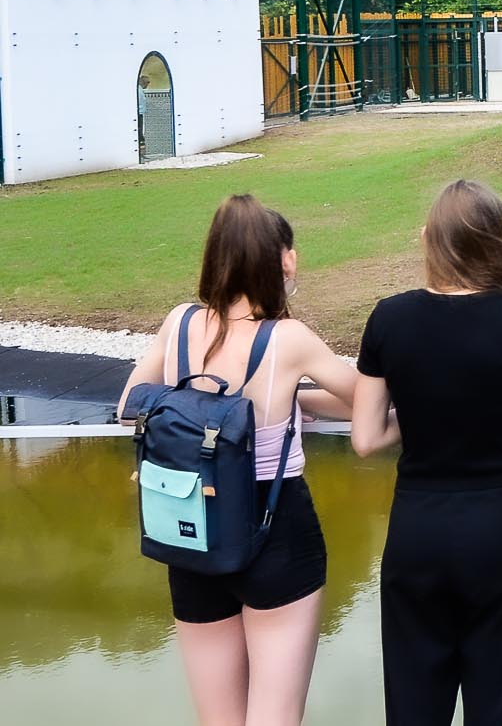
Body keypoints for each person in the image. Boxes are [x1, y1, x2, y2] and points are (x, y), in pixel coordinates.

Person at [117, 195, 361, 726]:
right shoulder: (287, 340)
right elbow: (364, 399)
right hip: (275, 530)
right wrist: (292, 398)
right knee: (273, 716)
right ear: (285, 260)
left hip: (190, 526)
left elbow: (129, 404)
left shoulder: (179, 323)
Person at [350, 180, 502, 726]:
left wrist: (428, 413)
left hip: (418, 535)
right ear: (499, 241)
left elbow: (365, 437)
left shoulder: (389, 317)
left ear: (431, 240)